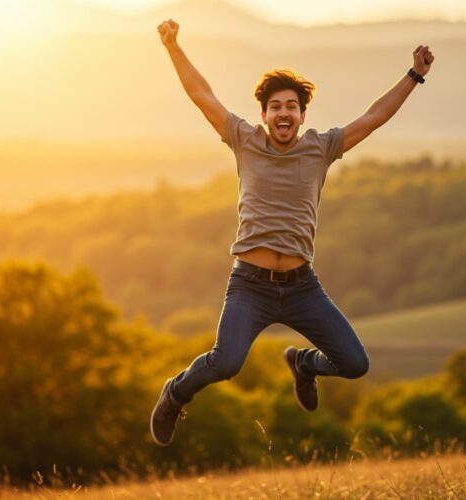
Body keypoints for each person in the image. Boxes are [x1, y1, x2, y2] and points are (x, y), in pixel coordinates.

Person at [150, 18, 434, 446]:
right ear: (263, 115)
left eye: (291, 107)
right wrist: (173, 46)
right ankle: (175, 393)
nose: (284, 113)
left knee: (355, 363)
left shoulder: (321, 147)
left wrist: (414, 75)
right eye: (276, 106)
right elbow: (201, 94)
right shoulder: (244, 140)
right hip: (249, 285)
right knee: (226, 362)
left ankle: (304, 364)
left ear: (303, 115)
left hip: (303, 287)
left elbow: (375, 117)